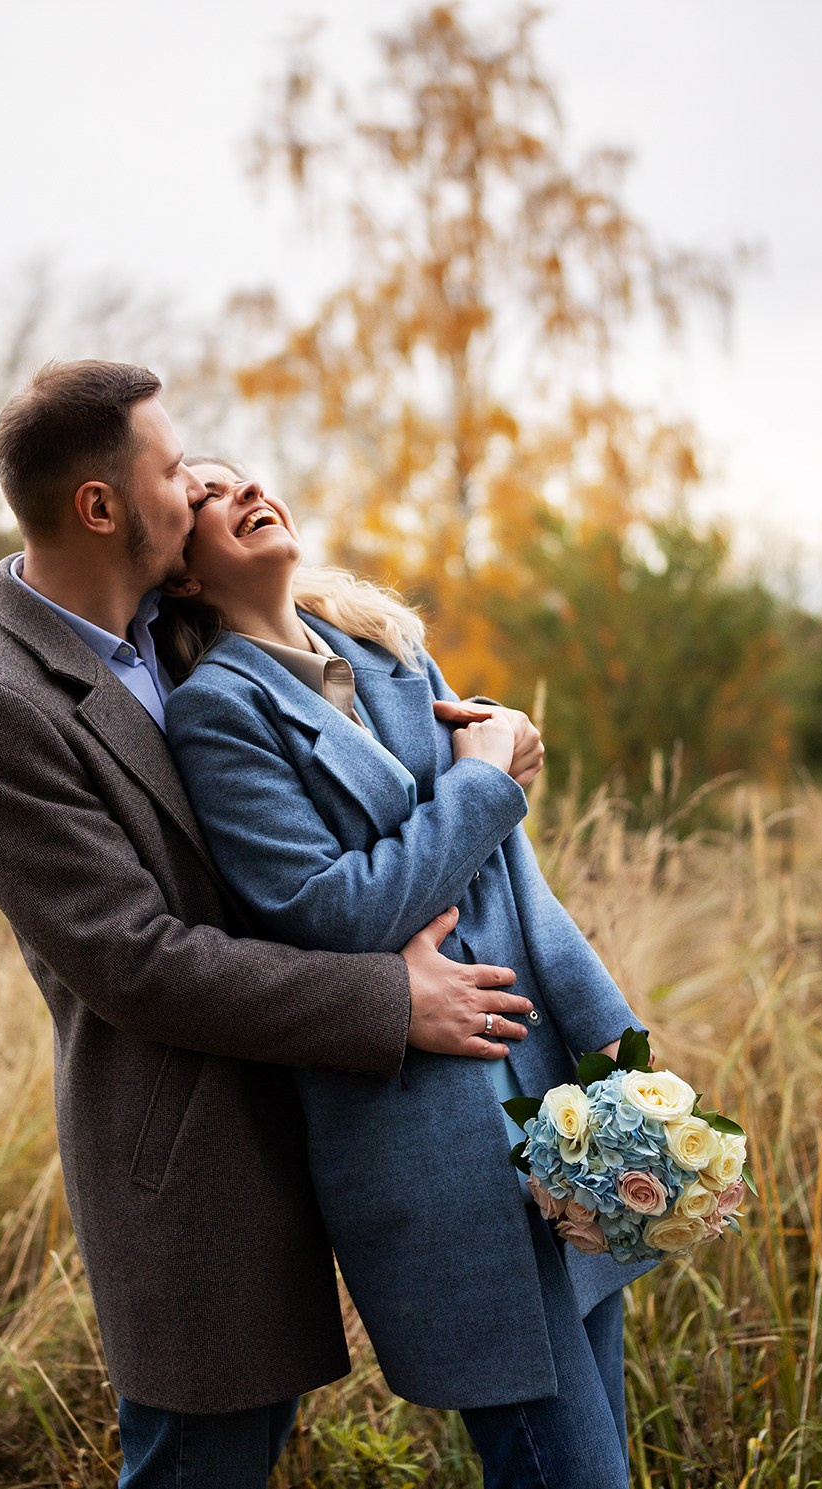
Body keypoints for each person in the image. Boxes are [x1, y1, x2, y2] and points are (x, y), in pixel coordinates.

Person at [0, 361, 543, 1489]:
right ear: (101, 507)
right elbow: (135, 963)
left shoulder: (177, 629)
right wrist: (389, 1000)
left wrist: (478, 740)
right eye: (173, 472)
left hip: (342, 1123)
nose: (200, 490)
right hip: (198, 1152)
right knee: (203, 1460)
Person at [160, 460, 654, 1489]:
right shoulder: (217, 713)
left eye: (243, 475)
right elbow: (331, 911)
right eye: (204, 494)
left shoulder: (389, 650)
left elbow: (514, 877)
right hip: (431, 1144)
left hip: (553, 1092)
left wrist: (614, 1039)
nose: (242, 489)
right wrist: (481, 780)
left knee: (604, 1437)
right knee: (567, 1469)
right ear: (182, 573)